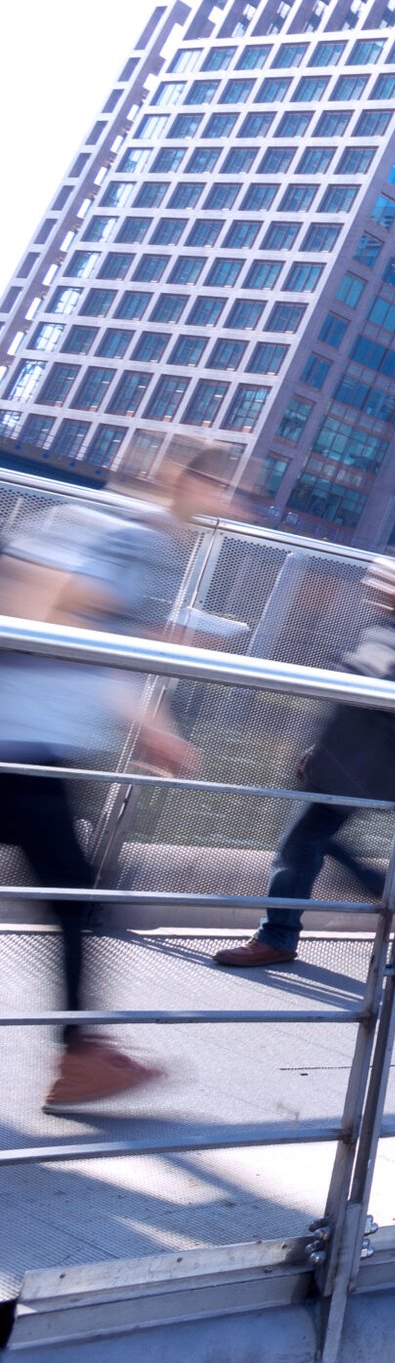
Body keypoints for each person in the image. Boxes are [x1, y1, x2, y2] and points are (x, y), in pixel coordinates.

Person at [0, 443, 225, 1108]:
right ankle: (80, 1056)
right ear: (183, 478)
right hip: (19, 740)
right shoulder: (121, 529)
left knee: (77, 893)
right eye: (225, 485)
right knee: (76, 894)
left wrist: (154, 724)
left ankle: (81, 1054)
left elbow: (104, 651)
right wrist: (147, 638)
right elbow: (29, 594)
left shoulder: (145, 541)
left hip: (37, 743)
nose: (235, 503)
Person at [213, 555, 395, 969]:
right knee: (307, 843)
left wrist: (366, 668)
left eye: (390, 581)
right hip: (339, 761)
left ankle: (278, 936)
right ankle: (376, 883)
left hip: (363, 768)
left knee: (298, 846)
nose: (377, 586)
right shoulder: (383, 628)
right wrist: (317, 750)